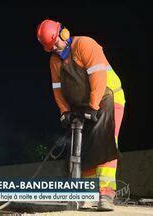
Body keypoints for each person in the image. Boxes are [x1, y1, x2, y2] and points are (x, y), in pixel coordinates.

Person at [36, 19, 125, 211]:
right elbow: (57, 88)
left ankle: (105, 194)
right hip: (86, 104)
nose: (56, 50)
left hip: (109, 97)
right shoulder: (55, 61)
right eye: (51, 48)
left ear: (64, 34)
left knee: (104, 141)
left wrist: (93, 106)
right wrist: (64, 111)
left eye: (56, 44)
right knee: (83, 148)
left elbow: (98, 76)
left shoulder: (85, 45)